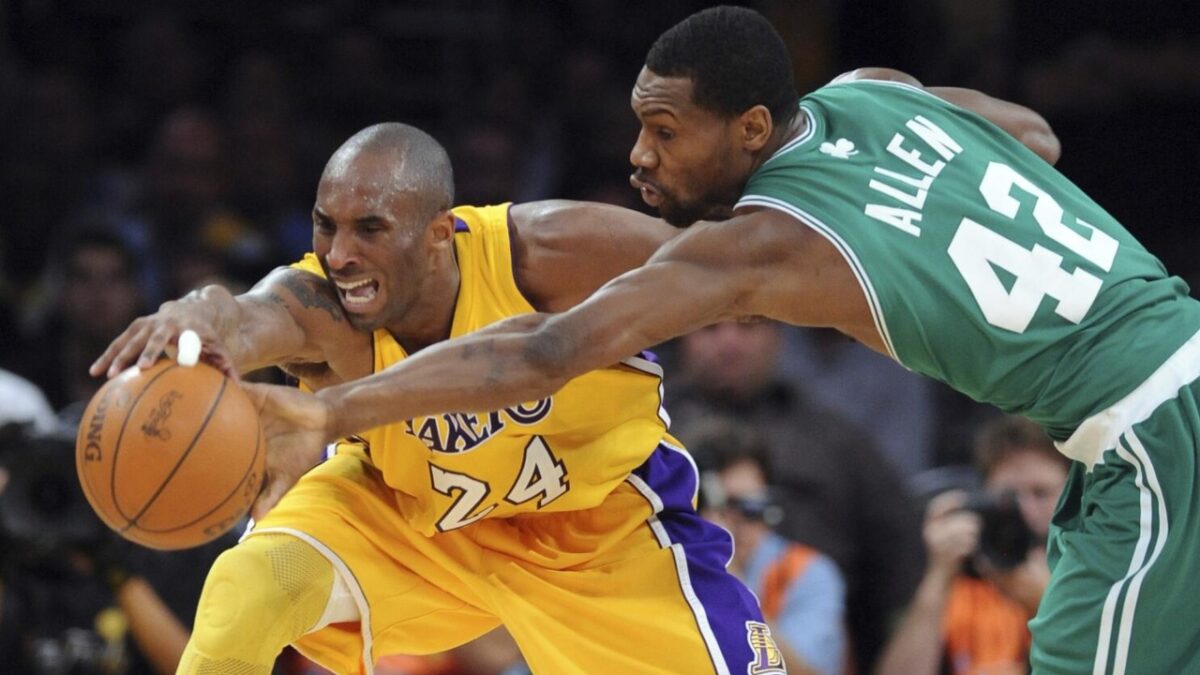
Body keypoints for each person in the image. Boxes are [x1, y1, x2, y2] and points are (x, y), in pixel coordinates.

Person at [241, 7, 1200, 674]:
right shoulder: (874, 93)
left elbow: (540, 352)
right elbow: (1035, 137)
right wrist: (924, 184)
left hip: (1151, 432)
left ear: (749, 128)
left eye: (664, 131)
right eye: (637, 125)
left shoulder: (764, 244)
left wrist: (327, 407)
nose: (639, 156)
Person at [92, 123, 781, 674]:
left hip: (600, 525)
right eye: (325, 224)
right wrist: (200, 314)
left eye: (370, 227)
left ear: (437, 234)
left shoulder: (547, 252)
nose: (339, 253)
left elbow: (723, 269)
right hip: (414, 521)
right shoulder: (325, 305)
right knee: (249, 584)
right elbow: (243, 315)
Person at [670, 319, 923, 670]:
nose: (729, 342)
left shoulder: (834, 439)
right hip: (669, 594)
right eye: (710, 327)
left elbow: (899, 565)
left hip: (808, 620)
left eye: (747, 326)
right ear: (681, 336)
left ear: (778, 334)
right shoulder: (651, 434)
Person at [876, 415, 1070, 675]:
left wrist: (1044, 603)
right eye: (1008, 496)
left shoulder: (1089, 574)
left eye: (1041, 493)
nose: (1024, 510)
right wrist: (938, 575)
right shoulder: (961, 576)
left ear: (1071, 495)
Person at [695, 419, 847, 675]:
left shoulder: (806, 572)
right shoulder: (670, 565)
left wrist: (725, 569)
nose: (737, 523)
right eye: (724, 506)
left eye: (749, 507)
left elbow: (804, 672)